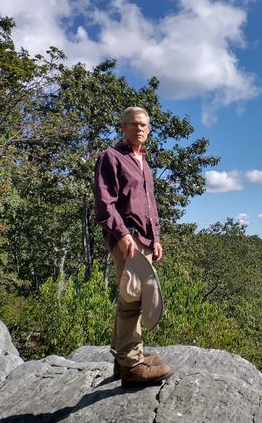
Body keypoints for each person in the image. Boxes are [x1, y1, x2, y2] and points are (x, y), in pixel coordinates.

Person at [94, 106, 172, 387]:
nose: (140, 128)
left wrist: (157, 238)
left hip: (146, 240)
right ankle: (132, 366)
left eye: (145, 125)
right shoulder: (111, 157)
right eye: (134, 124)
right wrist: (123, 234)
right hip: (127, 239)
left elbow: (150, 207)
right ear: (123, 127)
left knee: (135, 299)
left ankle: (122, 359)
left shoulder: (144, 163)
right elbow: (105, 203)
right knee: (132, 300)